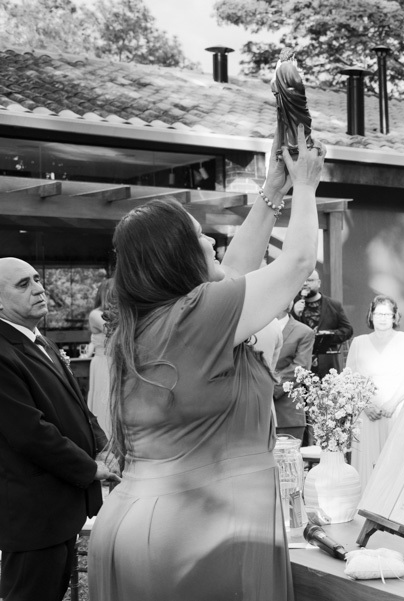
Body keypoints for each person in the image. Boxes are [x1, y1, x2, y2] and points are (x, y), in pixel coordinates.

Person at [88, 131, 325, 601]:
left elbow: (234, 270)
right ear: (177, 255)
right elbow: (297, 261)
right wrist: (306, 185)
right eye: (198, 235)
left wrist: (272, 191)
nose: (212, 239)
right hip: (192, 537)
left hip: (144, 524)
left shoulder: (150, 322)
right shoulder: (197, 316)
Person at [0, 258, 116, 601]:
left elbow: (77, 406)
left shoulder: (40, 340)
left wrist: (103, 446)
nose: (39, 289)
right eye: (23, 284)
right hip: (34, 514)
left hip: (60, 508)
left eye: (37, 279)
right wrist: (90, 468)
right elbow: (31, 433)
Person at [347, 295, 404, 491]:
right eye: (379, 314)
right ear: (371, 315)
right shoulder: (359, 342)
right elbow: (351, 379)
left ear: (395, 316)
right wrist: (365, 405)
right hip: (367, 412)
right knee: (369, 462)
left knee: (397, 460)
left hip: (397, 408)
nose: (383, 318)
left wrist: (392, 404)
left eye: (387, 314)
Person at [291, 269, 353, 379]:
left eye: (309, 280)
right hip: (299, 369)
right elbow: (284, 332)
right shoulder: (291, 305)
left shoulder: (333, 305)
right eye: (302, 280)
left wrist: (326, 336)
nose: (305, 283)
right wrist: (294, 313)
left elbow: (347, 330)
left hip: (327, 370)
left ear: (318, 283)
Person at [273, 302, 315, 441]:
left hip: (286, 410)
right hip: (255, 412)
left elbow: (300, 367)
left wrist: (269, 388)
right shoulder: (255, 330)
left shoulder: (304, 332)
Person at [87, 278, 113, 435]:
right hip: (104, 363)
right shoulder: (95, 314)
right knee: (105, 400)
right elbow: (112, 330)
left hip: (117, 362)